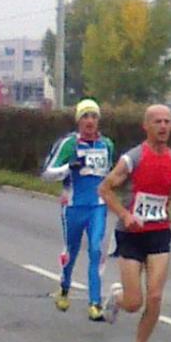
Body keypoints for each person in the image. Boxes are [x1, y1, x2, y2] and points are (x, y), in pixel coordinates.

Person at [98, 104, 171, 342]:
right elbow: (105, 189)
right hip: (131, 235)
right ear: (146, 126)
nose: (163, 126)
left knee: (156, 296)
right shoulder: (132, 159)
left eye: (167, 122)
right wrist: (125, 215)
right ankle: (118, 297)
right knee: (133, 303)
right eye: (157, 122)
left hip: (159, 232)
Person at [41, 98, 116, 320]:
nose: (90, 121)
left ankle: (95, 303)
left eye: (94, 116)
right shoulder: (69, 144)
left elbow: (110, 173)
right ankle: (64, 288)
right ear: (78, 121)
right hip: (73, 206)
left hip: (97, 206)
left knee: (95, 249)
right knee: (71, 251)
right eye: (85, 116)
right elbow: (46, 173)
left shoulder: (107, 145)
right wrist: (68, 167)